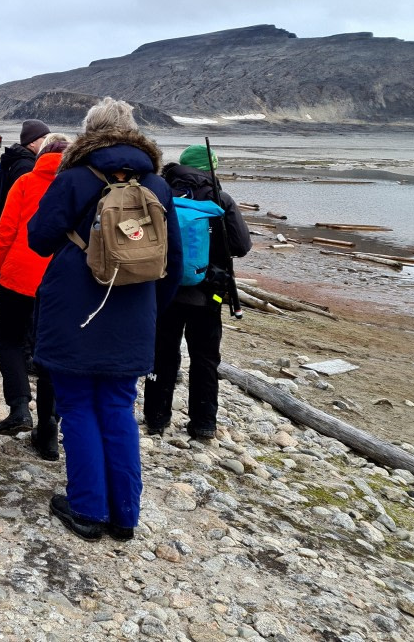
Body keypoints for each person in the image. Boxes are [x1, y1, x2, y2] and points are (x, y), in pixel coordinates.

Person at [27, 98, 182, 541]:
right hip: (134, 310)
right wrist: (150, 310)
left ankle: (88, 509)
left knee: (76, 406)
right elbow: (172, 261)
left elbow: (39, 239)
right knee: (118, 407)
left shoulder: (73, 177)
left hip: (75, 310)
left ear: (88, 133)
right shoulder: (158, 184)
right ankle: (124, 516)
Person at [143, 144, 251, 440]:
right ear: (209, 167)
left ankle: (155, 418)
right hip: (208, 293)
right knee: (204, 357)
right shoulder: (221, 199)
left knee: (162, 354)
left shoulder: (160, 194)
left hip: (164, 289)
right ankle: (203, 424)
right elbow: (241, 247)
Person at [0, 133, 71, 458]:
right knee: (52, 354)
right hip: (61, 283)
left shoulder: (25, 183)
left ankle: (19, 406)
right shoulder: (79, 187)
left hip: (18, 276)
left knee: (8, 338)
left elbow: (5, 234)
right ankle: (48, 431)